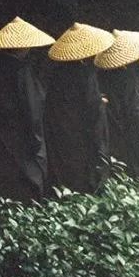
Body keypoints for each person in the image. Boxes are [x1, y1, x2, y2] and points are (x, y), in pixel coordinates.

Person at [0, 17, 53, 203]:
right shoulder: (22, 72)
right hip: (21, 141)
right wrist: (37, 142)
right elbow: (33, 111)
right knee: (25, 188)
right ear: (24, 47)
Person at [44, 23, 114, 192]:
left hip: (60, 133)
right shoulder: (86, 74)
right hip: (79, 134)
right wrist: (100, 102)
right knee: (81, 177)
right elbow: (91, 108)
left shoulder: (56, 73)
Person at [95, 30, 139, 179]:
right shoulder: (129, 76)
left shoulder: (103, 75)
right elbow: (134, 110)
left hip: (111, 131)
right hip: (129, 132)